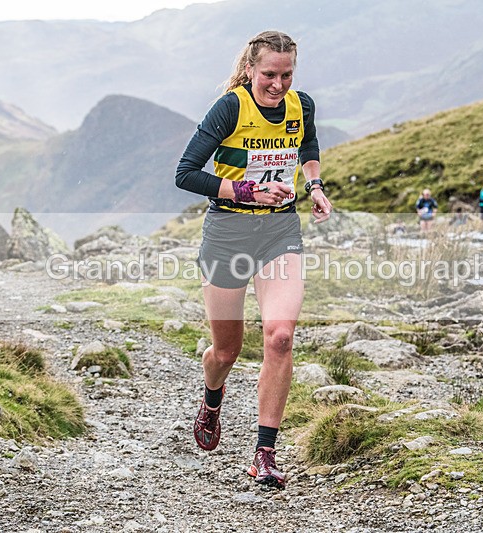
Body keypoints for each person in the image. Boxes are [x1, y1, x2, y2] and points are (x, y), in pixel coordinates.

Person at [174, 31, 332, 490]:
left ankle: (265, 453)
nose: (278, 85)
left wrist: (315, 187)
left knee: (280, 337)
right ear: (250, 69)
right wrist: (247, 190)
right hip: (227, 232)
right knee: (226, 351)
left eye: (286, 75)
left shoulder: (302, 106)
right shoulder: (230, 108)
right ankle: (212, 395)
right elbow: (186, 174)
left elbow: (309, 146)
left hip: (281, 231)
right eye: (269, 75)